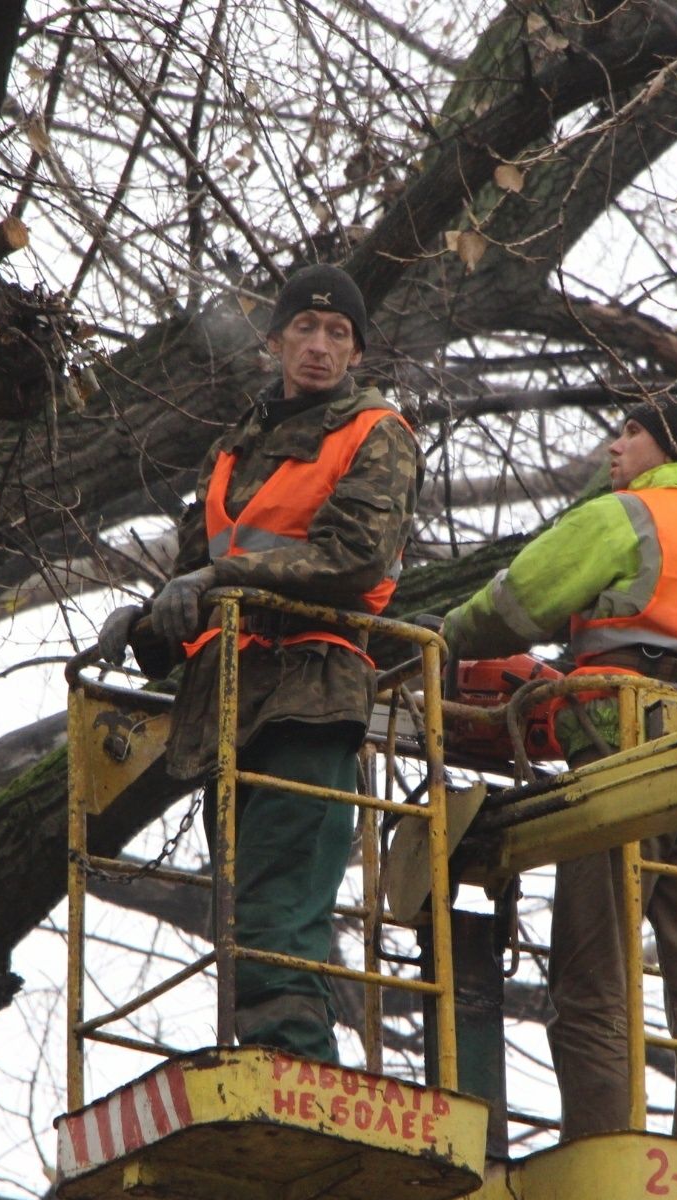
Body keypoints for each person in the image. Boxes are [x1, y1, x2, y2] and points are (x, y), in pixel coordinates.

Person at [441, 393, 677, 1147]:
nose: (614, 447)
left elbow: (518, 599)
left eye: (630, 432)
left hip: (620, 758)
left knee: (594, 974)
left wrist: (450, 638)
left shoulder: (625, 516)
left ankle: (601, 1149)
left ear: (666, 445)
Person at [98, 263, 421, 1063]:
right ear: (275, 343)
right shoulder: (232, 453)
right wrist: (145, 625)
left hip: (310, 693)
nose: (319, 346)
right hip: (229, 710)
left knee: (279, 905)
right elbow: (191, 577)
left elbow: (352, 556)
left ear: (355, 354)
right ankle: (272, 1050)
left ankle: (294, 1063)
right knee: (242, 911)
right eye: (305, 331)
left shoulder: (375, 431)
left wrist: (213, 580)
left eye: (337, 334)